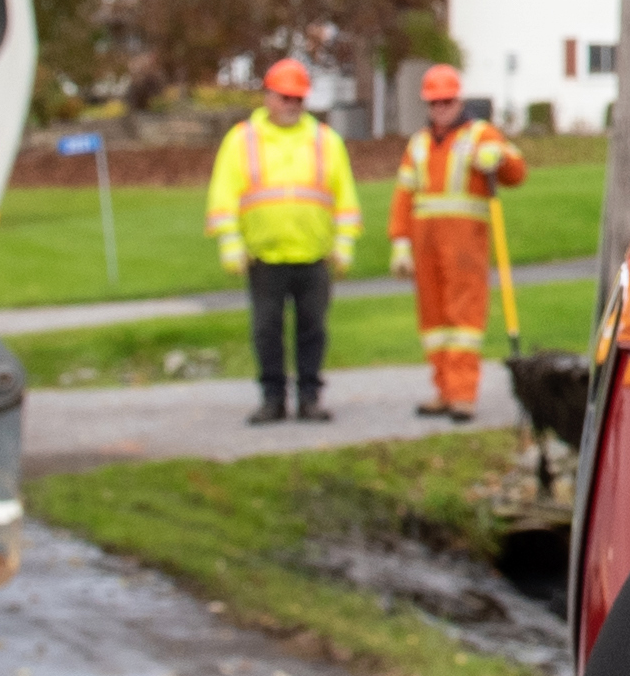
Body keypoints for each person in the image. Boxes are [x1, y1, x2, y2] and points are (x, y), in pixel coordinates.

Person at [204, 59, 359, 422]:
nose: (291, 105)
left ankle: (310, 397)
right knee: (267, 330)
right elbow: (224, 195)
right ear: (268, 97)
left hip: (314, 254)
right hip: (265, 257)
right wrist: (230, 243)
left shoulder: (325, 140)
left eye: (298, 98)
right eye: (285, 97)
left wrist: (345, 244)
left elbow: (344, 197)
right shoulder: (242, 141)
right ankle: (272, 398)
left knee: (313, 330)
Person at [394, 63, 530, 424]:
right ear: (427, 105)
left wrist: (498, 158)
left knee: (463, 322)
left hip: (464, 245)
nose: (441, 109)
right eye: (435, 103)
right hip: (425, 245)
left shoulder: (480, 134)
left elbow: (517, 171)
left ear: (459, 101)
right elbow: (404, 196)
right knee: (434, 323)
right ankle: (443, 389)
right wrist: (400, 243)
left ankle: (463, 394)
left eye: (447, 102)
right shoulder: (419, 144)